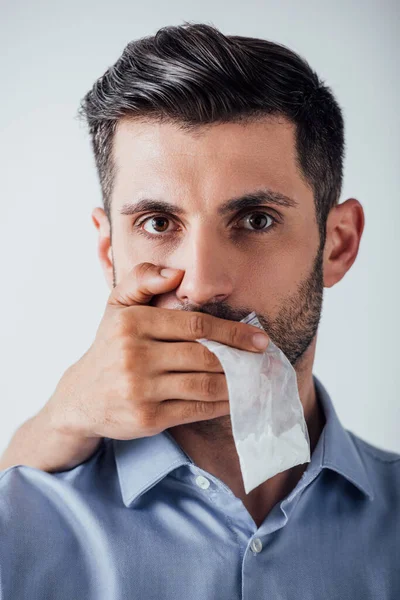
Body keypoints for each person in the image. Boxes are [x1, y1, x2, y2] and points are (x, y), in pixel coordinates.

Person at [1, 21, 399, 600]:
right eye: (158, 224)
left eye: (256, 220)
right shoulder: (18, 533)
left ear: (337, 244)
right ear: (111, 250)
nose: (204, 284)